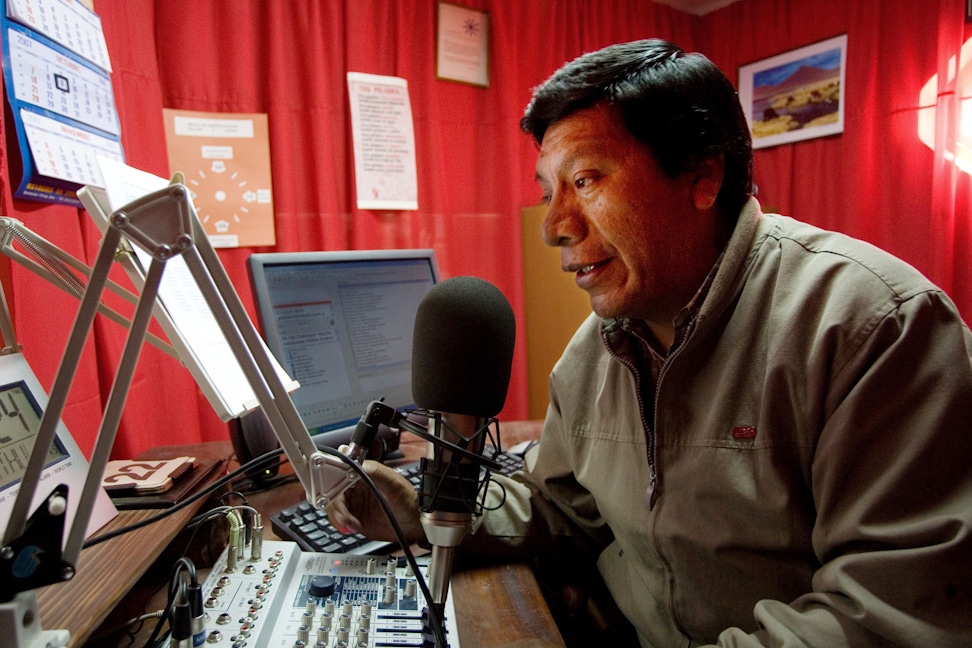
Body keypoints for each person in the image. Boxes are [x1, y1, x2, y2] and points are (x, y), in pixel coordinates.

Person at [327, 39, 972, 647]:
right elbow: (558, 507)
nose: (554, 226)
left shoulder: (875, 328)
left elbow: (888, 614)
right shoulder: (592, 352)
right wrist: (414, 510)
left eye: (585, 181)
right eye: (548, 192)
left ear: (702, 176)